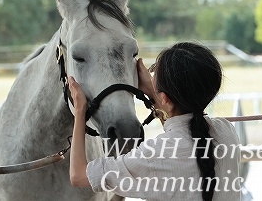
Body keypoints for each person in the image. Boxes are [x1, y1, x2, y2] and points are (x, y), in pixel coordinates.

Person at [68, 42, 241, 201]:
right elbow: (181, 140)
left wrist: (80, 110)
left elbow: (79, 175)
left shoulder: (153, 156)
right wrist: (155, 92)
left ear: (165, 98)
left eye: (154, 72)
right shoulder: (227, 132)